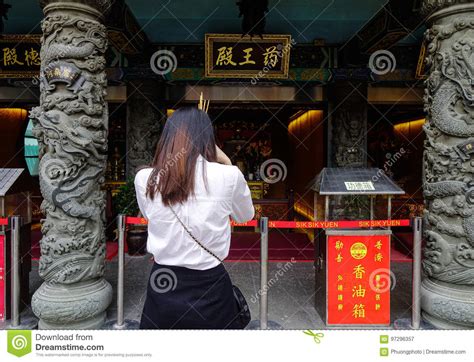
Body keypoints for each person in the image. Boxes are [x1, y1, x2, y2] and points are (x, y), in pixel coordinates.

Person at [134, 107, 254, 329]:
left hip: (163, 282)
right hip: (210, 284)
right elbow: (246, 216)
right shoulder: (228, 175)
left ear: (168, 138)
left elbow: (149, 213)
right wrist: (227, 162)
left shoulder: (144, 178)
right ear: (208, 138)